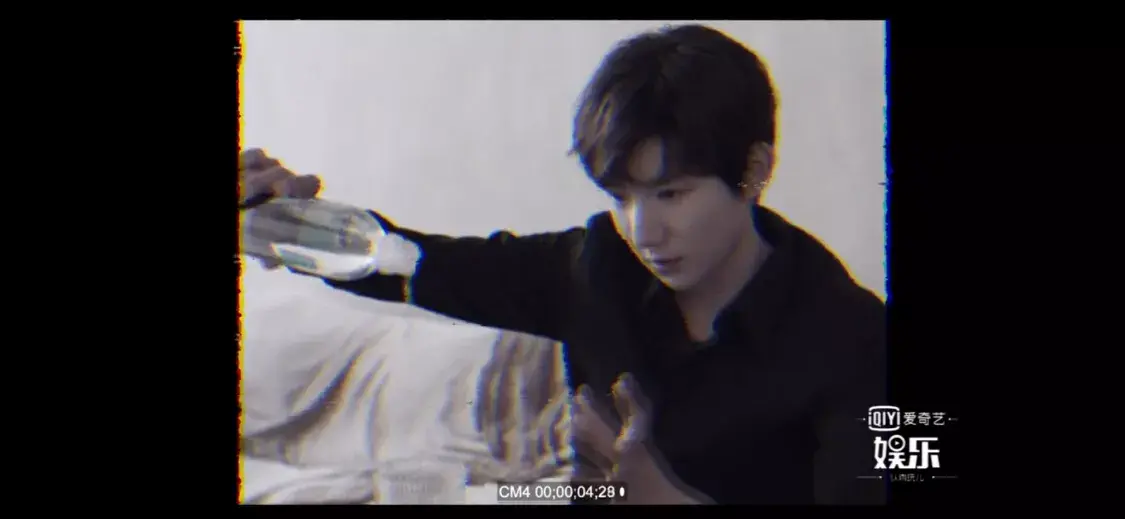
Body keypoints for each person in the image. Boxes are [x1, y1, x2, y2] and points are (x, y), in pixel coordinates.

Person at [239, 23, 886, 504]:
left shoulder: (858, 340)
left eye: (670, 194)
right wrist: (279, 217)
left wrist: (664, 499)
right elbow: (416, 263)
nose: (643, 231)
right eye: (621, 197)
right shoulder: (599, 266)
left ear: (753, 171)